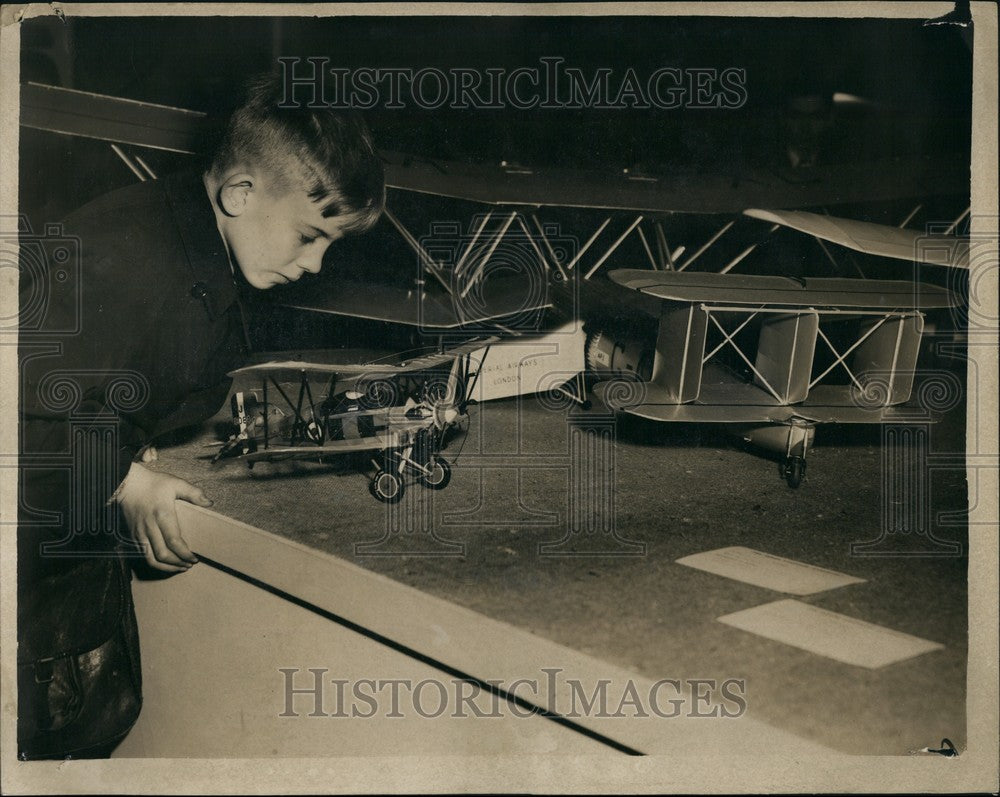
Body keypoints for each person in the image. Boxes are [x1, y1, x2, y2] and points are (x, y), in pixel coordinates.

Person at [17, 72, 385, 759]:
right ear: (240, 193)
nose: (315, 264)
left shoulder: (193, 237)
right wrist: (121, 480)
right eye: (310, 236)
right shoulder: (127, 265)